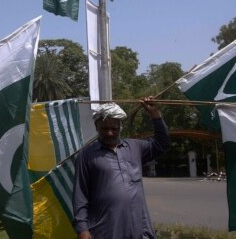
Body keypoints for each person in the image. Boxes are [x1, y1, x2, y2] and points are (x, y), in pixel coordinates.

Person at [72, 98, 171, 239]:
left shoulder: (135, 147)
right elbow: (80, 195)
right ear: (96, 126)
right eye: (104, 129)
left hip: (139, 228)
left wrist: (155, 115)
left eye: (114, 128)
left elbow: (163, 143)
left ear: (121, 126)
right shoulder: (86, 155)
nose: (110, 133)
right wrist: (82, 228)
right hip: (104, 229)